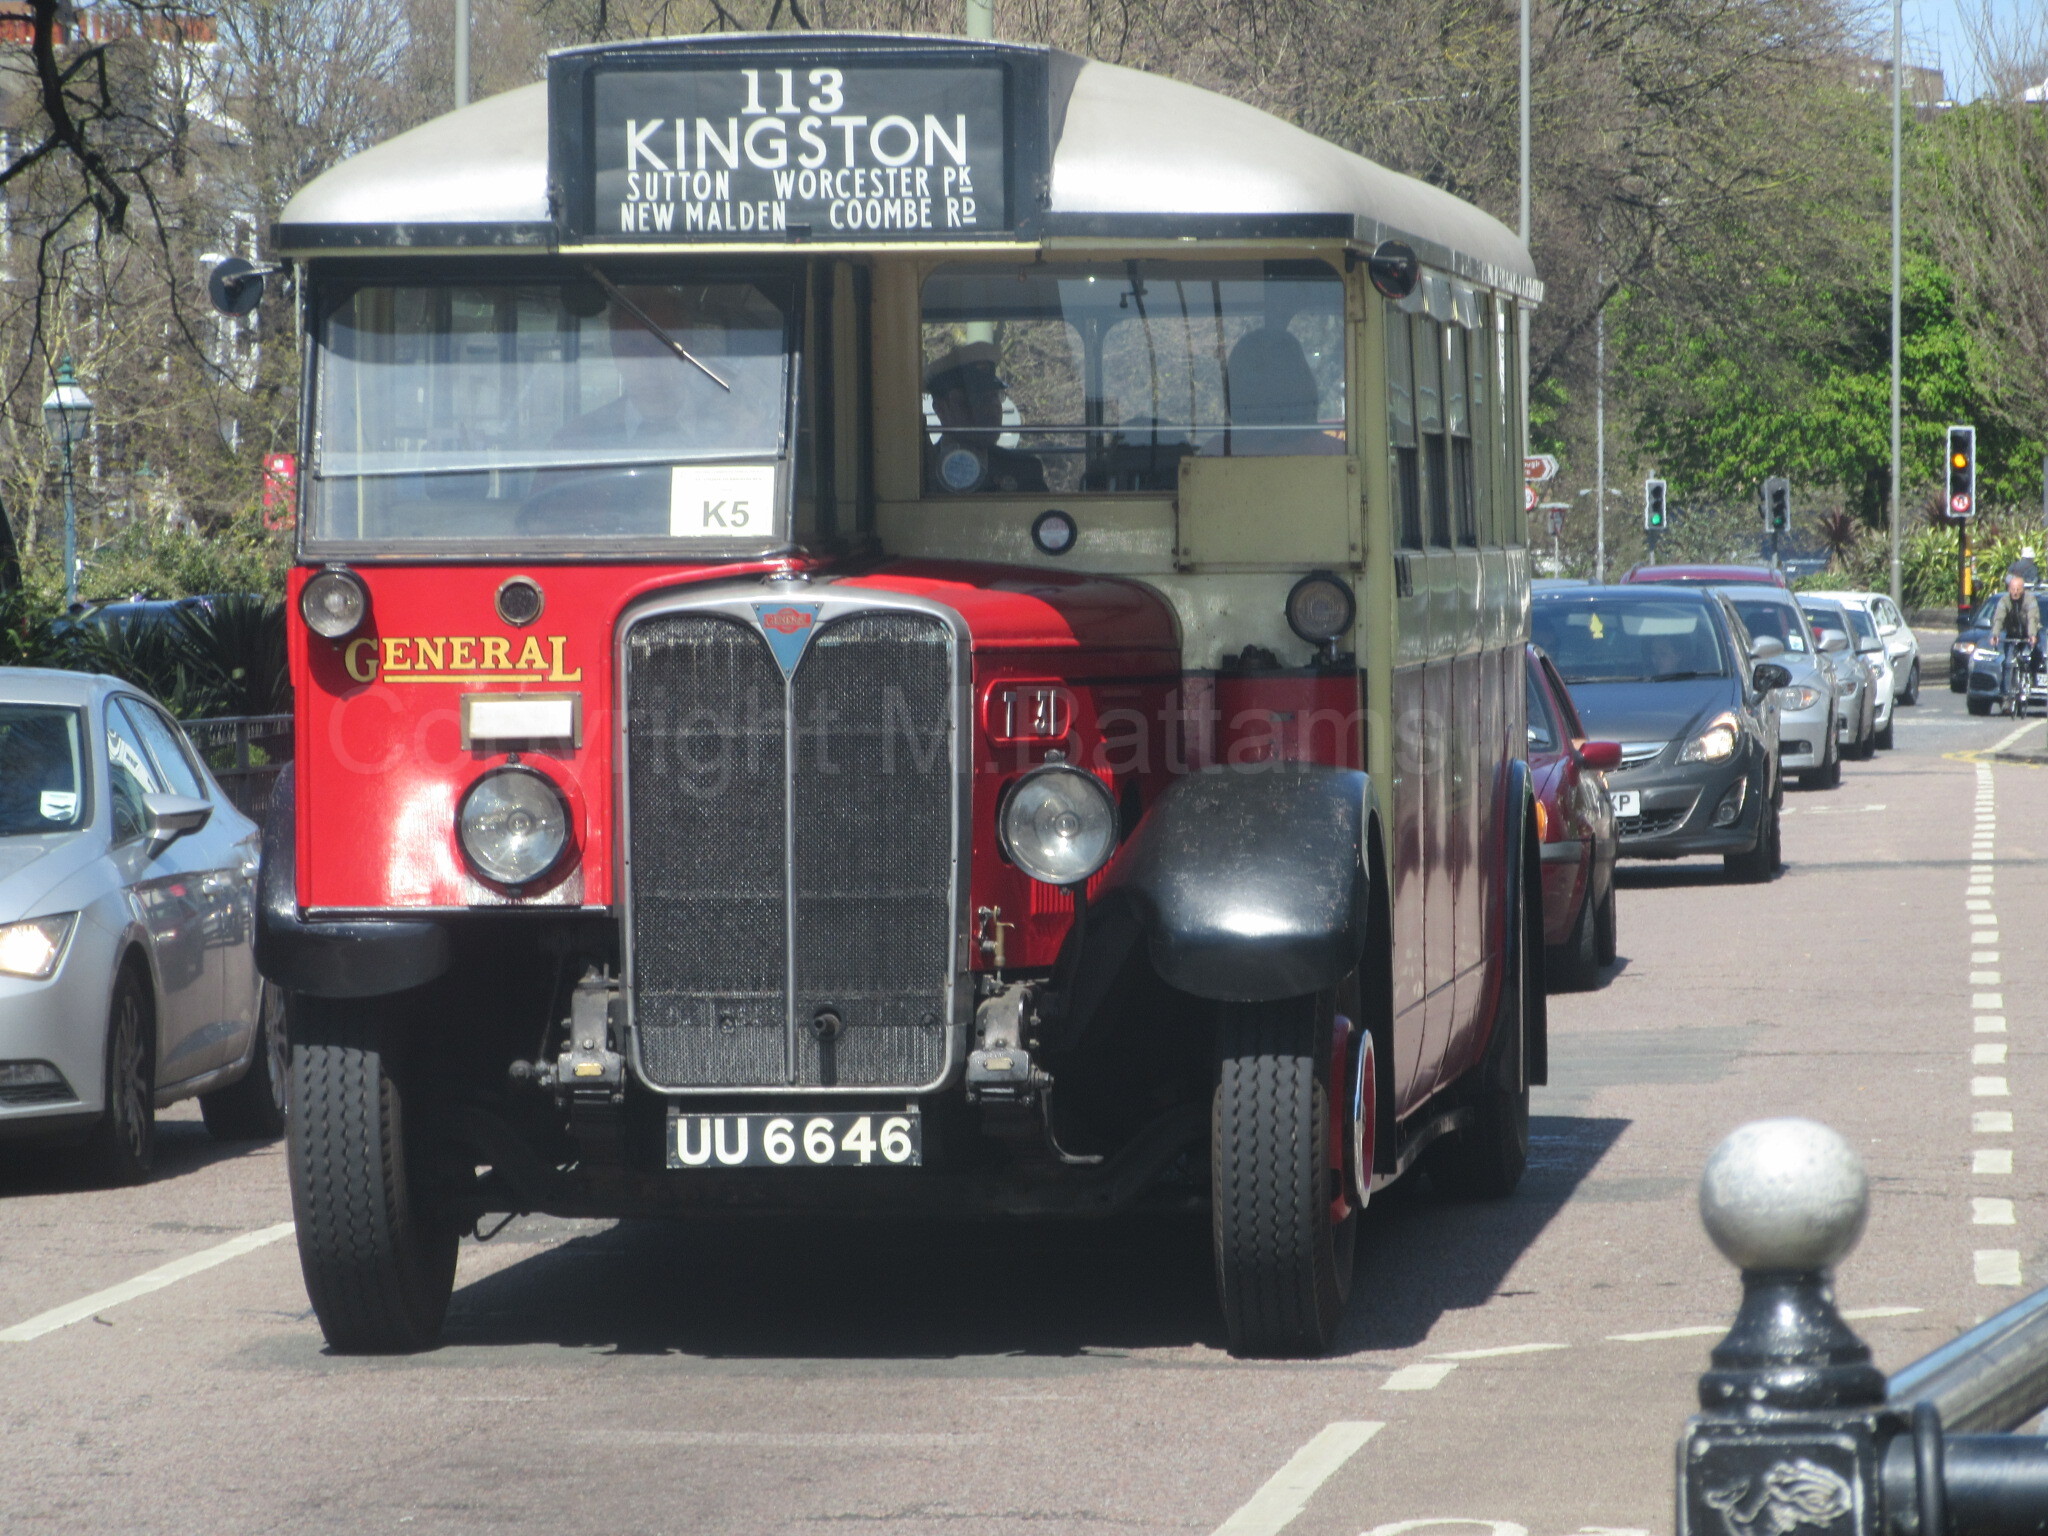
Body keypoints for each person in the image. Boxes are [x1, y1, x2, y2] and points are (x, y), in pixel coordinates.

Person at [924, 341, 1046, 494]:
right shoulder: (921, 472)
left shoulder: (1024, 471)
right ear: (940, 408)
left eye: (994, 396)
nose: (992, 406)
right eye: (974, 399)